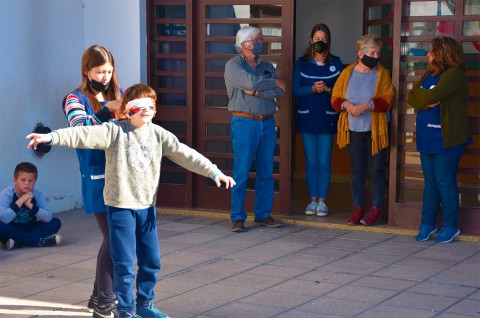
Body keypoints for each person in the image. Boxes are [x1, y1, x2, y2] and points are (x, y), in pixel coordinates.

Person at [27, 83, 236, 318]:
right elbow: (81, 134)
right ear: (128, 110)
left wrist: (214, 172)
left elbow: (185, 153)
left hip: (146, 207)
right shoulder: (114, 131)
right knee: (124, 264)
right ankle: (125, 311)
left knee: (151, 260)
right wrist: (51, 137)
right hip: (120, 207)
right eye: (140, 105)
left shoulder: (159, 135)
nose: (146, 110)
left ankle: (145, 306)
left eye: (151, 105)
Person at [63, 45, 123, 318]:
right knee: (113, 240)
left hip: (122, 177)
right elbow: (80, 131)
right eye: (100, 71)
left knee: (115, 239)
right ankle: (104, 303)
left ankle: (98, 295)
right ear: (87, 70)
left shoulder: (116, 94)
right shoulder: (74, 98)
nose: (106, 76)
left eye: (109, 71)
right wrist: (106, 111)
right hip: (97, 178)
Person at [407, 37, 471, 243]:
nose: (427, 55)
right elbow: (412, 96)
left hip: (447, 139)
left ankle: (451, 226)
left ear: (442, 54)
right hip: (428, 137)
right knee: (430, 183)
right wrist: (428, 100)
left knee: (445, 182)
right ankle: (427, 224)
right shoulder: (430, 73)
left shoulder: (455, 75)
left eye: (431, 51)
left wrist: (427, 97)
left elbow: (423, 97)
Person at [224, 25, 285, 232]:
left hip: (267, 121)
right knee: (241, 171)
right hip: (244, 122)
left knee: (266, 171)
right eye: (257, 39)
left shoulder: (267, 65)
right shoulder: (233, 66)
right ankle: (237, 217)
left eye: (261, 39)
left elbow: (279, 91)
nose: (261, 42)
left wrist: (258, 92)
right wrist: (271, 83)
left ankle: (263, 214)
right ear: (245, 44)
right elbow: (248, 81)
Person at [331, 34, 394, 226]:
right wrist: (346, 105)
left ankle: (376, 209)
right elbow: (335, 97)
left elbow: (388, 98)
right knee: (357, 170)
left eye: (378, 52)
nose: (376, 56)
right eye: (372, 52)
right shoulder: (347, 72)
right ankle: (358, 208)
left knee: (376, 170)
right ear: (360, 54)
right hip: (354, 129)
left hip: (376, 131)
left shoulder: (382, 73)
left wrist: (367, 105)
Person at [292, 23, 344, 217]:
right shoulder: (302, 63)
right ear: (311, 40)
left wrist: (329, 90)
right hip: (307, 118)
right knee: (311, 161)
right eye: (317, 39)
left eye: (323, 39)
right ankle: (312, 200)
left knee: (324, 161)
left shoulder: (336, 63)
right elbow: (295, 90)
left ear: (328, 41)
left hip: (327, 119)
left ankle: (322, 201)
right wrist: (311, 89)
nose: (320, 42)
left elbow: (343, 91)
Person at [0, 162, 62, 250]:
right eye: (23, 180)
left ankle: (17, 242)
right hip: (11, 229)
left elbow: (48, 217)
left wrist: (30, 206)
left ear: (35, 181)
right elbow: (4, 219)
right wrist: (21, 200)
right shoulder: (6, 194)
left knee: (56, 222)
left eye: (30, 180)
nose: (27, 183)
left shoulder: (38, 195)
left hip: (30, 227)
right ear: (15, 180)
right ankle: (38, 242)